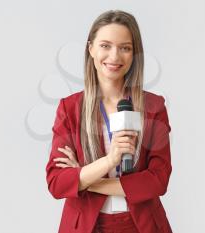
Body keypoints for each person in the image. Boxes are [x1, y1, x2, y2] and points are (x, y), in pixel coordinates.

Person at [46, 10, 173, 233]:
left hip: (141, 226)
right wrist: (109, 161)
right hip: (85, 226)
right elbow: (57, 183)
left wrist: (87, 180)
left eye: (125, 48)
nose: (114, 57)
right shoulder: (70, 109)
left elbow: (158, 180)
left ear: (134, 54)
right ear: (91, 49)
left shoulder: (153, 107)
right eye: (105, 45)